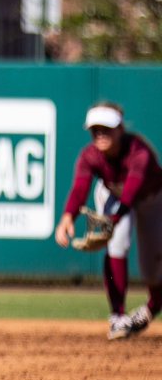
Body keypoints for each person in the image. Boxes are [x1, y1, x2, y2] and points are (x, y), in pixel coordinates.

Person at [54, 102, 162, 340]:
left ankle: (151, 309)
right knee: (117, 245)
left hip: (152, 201)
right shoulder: (90, 156)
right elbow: (80, 187)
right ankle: (118, 316)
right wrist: (67, 217)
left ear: (120, 129)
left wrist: (110, 221)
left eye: (107, 129)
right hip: (112, 195)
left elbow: (131, 193)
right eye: (95, 130)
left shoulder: (139, 153)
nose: (100, 135)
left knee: (152, 269)